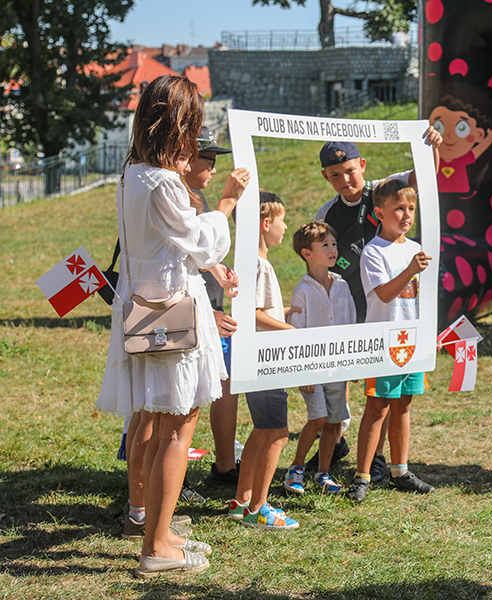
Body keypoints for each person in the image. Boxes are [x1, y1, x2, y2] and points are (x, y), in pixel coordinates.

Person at [96, 74, 244, 577]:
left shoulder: (133, 173)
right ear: (179, 124)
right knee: (177, 428)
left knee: (162, 425)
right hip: (171, 313)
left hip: (146, 309)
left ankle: (158, 531)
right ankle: (157, 546)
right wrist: (224, 203)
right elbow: (201, 246)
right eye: (192, 124)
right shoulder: (161, 182)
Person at [312, 127, 442, 480]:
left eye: (350, 171)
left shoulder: (385, 188)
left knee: (384, 389)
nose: (345, 179)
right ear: (327, 178)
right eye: (336, 175)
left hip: (393, 306)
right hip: (355, 298)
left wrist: (429, 142)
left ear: (363, 166)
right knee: (347, 378)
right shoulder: (327, 211)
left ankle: (379, 459)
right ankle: (337, 441)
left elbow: (423, 177)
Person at [345, 179, 435, 502]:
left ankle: (400, 470)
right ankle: (363, 476)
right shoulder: (373, 252)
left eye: (411, 208)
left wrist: (429, 334)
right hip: (384, 342)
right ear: (380, 213)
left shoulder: (416, 249)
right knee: (377, 407)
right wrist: (411, 269)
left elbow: (422, 298)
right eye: (399, 208)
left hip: (411, 342)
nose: (407, 215)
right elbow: (384, 294)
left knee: (404, 406)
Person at [226, 191, 299, 530]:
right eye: (282, 220)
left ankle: (241, 501)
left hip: (255, 358)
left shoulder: (249, 263)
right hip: (264, 360)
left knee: (262, 429)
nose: (285, 227)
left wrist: (283, 313)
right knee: (278, 432)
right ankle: (259, 508)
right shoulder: (259, 264)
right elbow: (252, 315)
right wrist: (291, 331)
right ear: (265, 223)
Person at [182, 126, 248, 489]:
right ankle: (145, 485)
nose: (213, 167)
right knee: (179, 403)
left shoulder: (195, 198)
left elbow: (198, 253)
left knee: (224, 385)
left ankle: (224, 465)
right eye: (208, 159)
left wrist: (217, 270)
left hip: (210, 311)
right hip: (186, 318)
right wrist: (228, 201)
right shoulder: (175, 199)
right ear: (185, 159)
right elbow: (171, 267)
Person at [282, 221, 356, 495]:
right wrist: (304, 373)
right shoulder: (302, 290)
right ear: (307, 253)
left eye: (334, 244)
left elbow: (350, 323)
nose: (332, 249)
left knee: (334, 420)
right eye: (324, 244)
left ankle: (323, 473)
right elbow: (298, 333)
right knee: (318, 418)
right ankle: (296, 468)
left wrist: (352, 363)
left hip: (338, 367)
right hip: (312, 369)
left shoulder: (342, 285)